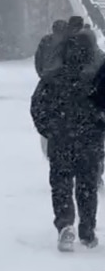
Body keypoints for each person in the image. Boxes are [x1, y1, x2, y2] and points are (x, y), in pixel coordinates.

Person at [31, 30, 105, 251]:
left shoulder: (53, 76)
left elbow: (37, 106)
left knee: (61, 184)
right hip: (90, 140)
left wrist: (49, 130)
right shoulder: (98, 77)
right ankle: (87, 231)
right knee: (87, 186)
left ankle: (65, 224)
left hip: (61, 139)